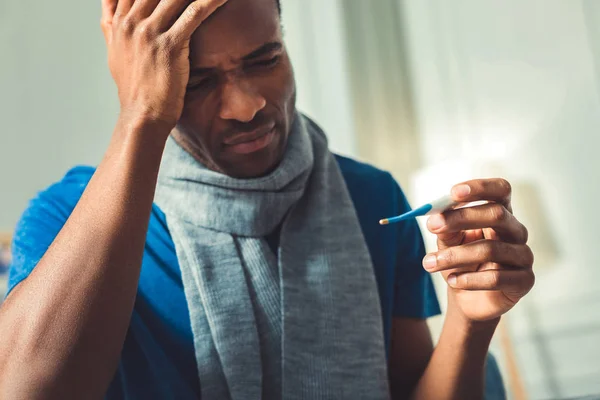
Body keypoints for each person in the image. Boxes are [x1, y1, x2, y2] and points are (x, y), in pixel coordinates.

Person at [0, 0, 535, 398]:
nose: (247, 105)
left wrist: (472, 319)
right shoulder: (66, 219)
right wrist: (141, 117)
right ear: (145, 81)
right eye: (198, 81)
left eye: (265, 59)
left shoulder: (370, 195)